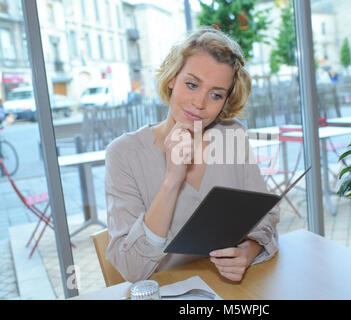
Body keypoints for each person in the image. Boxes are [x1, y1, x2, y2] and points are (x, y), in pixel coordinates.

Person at [105, 27, 280, 283]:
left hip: (231, 290)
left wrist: (248, 250)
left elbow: (265, 215)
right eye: (192, 84)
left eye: (216, 94)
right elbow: (132, 269)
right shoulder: (124, 154)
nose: (200, 103)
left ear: (225, 101)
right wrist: (172, 180)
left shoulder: (231, 136)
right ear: (172, 79)